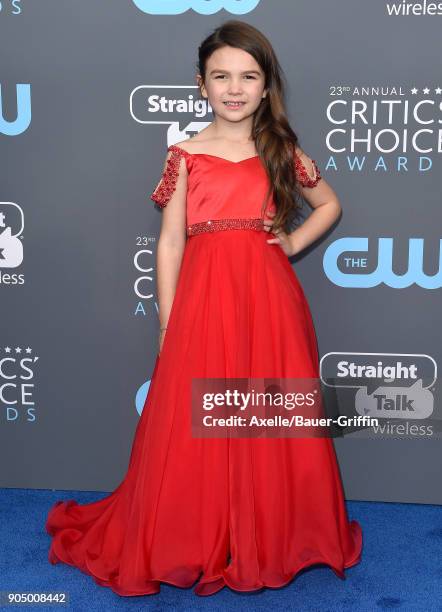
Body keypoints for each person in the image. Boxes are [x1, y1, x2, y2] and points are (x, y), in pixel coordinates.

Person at [45, 20, 363, 597]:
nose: (234, 88)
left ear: (267, 87)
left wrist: (291, 242)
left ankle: (267, 535)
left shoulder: (280, 148)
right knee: (196, 416)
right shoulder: (185, 153)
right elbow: (170, 242)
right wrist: (169, 322)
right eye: (221, 76)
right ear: (201, 84)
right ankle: (201, 535)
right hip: (204, 299)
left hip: (269, 297)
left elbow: (329, 204)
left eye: (248, 76)